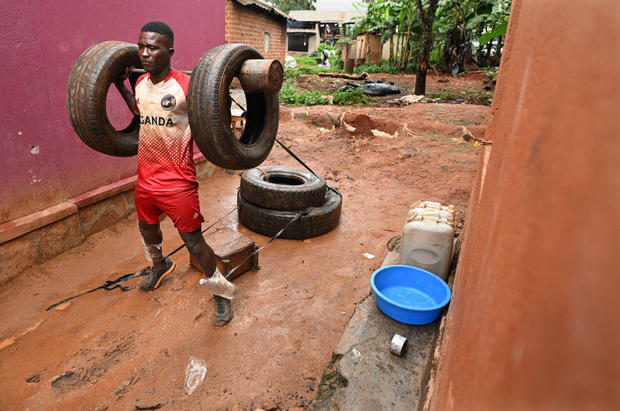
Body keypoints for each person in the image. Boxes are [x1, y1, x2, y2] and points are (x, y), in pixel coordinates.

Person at [115, 21, 232, 326]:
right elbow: (140, 112)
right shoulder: (140, 84)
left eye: (152, 47)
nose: (144, 53)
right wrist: (118, 84)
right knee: (147, 231)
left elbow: (212, 118)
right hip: (145, 179)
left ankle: (222, 291)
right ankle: (159, 265)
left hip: (178, 181)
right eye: (141, 46)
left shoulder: (186, 86)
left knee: (194, 244)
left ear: (170, 51)